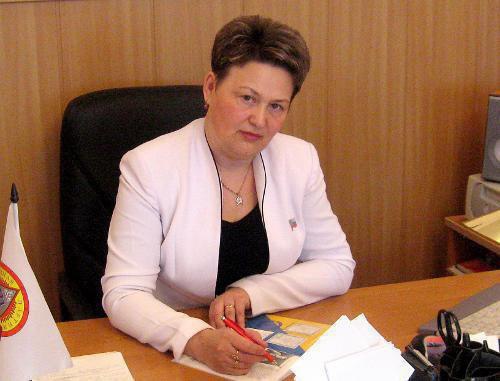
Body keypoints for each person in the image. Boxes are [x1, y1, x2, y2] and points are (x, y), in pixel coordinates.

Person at [101, 15, 355, 376]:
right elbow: (123, 293)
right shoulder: (148, 167)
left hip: (265, 340)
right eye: (247, 98)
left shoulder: (299, 158)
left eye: (276, 106)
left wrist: (250, 293)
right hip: (173, 348)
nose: (259, 120)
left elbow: (337, 266)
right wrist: (196, 338)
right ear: (209, 88)